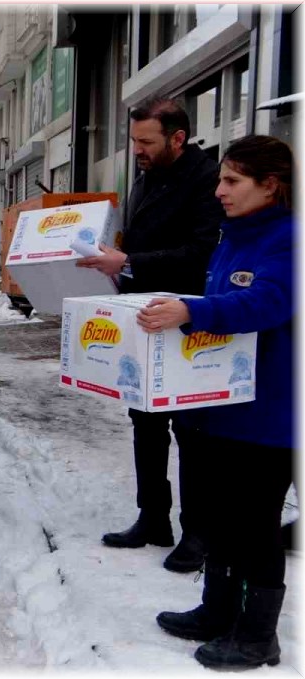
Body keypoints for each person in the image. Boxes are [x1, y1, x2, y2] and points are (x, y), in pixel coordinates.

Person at [136, 135, 294, 670]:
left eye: (232, 181)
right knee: (222, 518)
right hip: (222, 405)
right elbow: (223, 299)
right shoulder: (234, 236)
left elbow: (266, 303)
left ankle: (256, 636)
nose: (219, 190)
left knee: (255, 525)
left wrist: (192, 312)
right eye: (220, 178)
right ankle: (217, 609)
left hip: (269, 414)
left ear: (269, 186)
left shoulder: (288, 239)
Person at [77, 97, 223, 572]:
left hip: (188, 321)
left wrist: (132, 262)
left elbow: (202, 253)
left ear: (178, 138)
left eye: (146, 141)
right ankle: (153, 517)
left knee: (193, 432)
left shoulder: (207, 181)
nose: (137, 149)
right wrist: (113, 265)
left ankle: (198, 532)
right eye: (134, 140)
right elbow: (141, 242)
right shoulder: (146, 177)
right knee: (145, 421)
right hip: (144, 316)